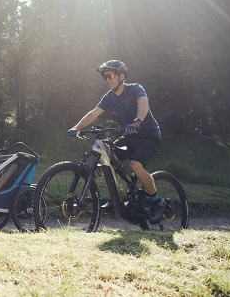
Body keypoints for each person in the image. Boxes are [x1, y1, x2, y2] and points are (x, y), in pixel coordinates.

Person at [67, 60, 166, 224]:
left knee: (136, 165)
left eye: (111, 75)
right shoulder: (110, 97)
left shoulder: (135, 89)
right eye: (105, 77)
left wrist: (137, 121)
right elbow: (94, 113)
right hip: (130, 136)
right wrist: (76, 127)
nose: (107, 80)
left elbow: (143, 104)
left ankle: (157, 202)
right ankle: (116, 199)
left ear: (121, 76)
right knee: (109, 156)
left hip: (148, 135)